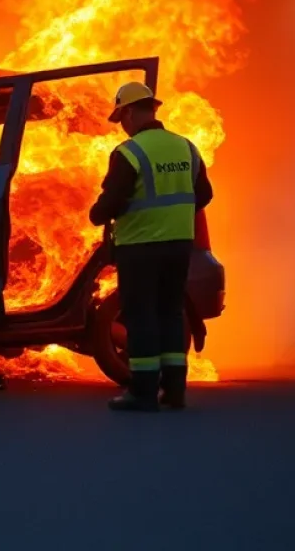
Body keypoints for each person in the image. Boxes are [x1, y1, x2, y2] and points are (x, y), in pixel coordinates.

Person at [88, 81, 213, 412]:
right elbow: (204, 195)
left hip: (141, 246)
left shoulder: (129, 153)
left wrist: (96, 214)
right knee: (171, 313)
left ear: (129, 112)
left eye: (122, 118)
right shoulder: (186, 147)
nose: (123, 127)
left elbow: (112, 201)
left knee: (140, 316)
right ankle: (174, 391)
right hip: (178, 245)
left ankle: (142, 392)